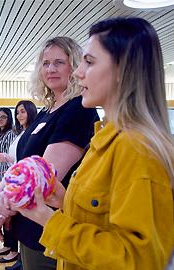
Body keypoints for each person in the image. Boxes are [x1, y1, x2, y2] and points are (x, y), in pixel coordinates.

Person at [11, 17, 174, 270]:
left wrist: (48, 220)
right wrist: (66, 200)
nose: (78, 72)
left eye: (89, 62)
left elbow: (138, 261)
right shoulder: (107, 136)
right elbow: (102, 217)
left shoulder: (137, 148)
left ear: (123, 69)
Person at [0, 36, 99, 270]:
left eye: (59, 62)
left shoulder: (78, 109)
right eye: (45, 63)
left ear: (75, 66)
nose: (51, 69)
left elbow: (42, 177)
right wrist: (1, 200)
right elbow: (22, 163)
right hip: (29, 224)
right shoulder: (46, 111)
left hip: (51, 228)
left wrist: (2, 207)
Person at [0, 101, 37, 266]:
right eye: (18, 113)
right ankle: (13, 250)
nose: (20, 116)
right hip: (7, 176)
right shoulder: (21, 133)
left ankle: (17, 254)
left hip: (19, 181)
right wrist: (2, 157)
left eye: (23, 112)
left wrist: (5, 158)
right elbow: (15, 157)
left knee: (15, 218)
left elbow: (26, 159)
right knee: (9, 217)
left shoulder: (30, 133)